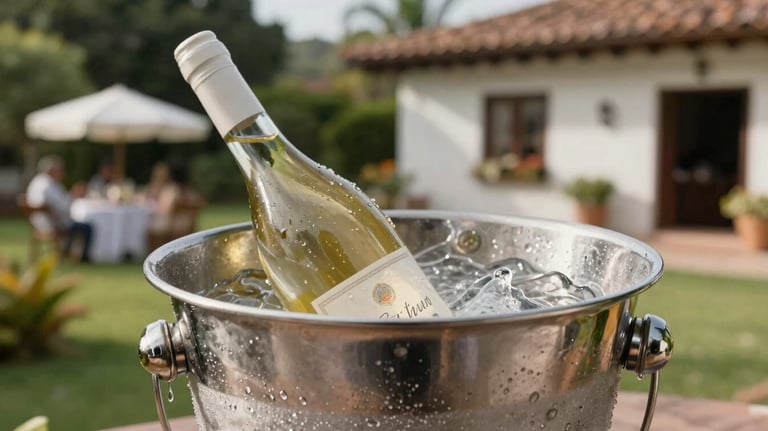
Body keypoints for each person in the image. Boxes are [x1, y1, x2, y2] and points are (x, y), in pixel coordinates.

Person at [26, 155, 93, 261]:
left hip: (39, 223)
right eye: (60, 170)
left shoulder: (38, 182)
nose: (62, 173)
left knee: (77, 225)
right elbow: (62, 208)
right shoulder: (48, 185)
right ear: (52, 170)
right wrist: (74, 195)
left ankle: (66, 253)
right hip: (51, 224)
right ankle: (83, 257)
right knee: (87, 228)